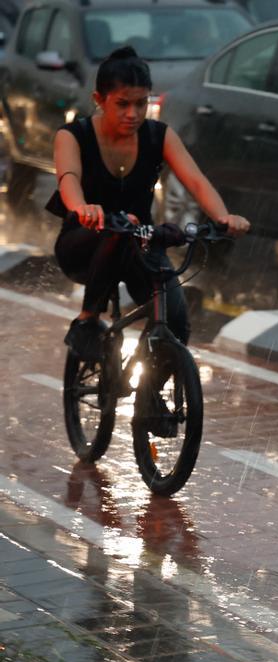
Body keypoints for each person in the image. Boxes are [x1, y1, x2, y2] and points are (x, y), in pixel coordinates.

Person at [49, 47, 250, 429]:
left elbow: (195, 180)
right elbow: (69, 180)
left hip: (139, 241)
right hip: (83, 245)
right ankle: (88, 319)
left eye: (142, 104)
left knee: (176, 321)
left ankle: (149, 395)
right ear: (99, 100)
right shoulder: (72, 135)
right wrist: (82, 209)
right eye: (123, 104)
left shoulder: (159, 135)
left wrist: (223, 218)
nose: (134, 114)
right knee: (120, 225)